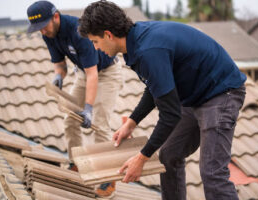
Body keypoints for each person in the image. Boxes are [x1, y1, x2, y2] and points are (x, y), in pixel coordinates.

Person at [79, 1, 247, 200]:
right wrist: (131, 123)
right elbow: (156, 87)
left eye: (95, 42)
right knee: (169, 156)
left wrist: (141, 158)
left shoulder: (148, 50)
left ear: (108, 34)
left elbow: (170, 115)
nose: (96, 48)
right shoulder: (135, 42)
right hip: (196, 96)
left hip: (221, 93)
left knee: (212, 171)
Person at [27, 1, 123, 198]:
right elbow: (60, 66)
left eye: (44, 26)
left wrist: (88, 107)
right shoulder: (48, 33)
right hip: (83, 73)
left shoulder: (78, 31)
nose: (42, 31)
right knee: (70, 119)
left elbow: (93, 75)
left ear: (56, 17)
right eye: (38, 29)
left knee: (99, 124)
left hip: (106, 73)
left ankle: (108, 177)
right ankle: (77, 163)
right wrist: (58, 77)